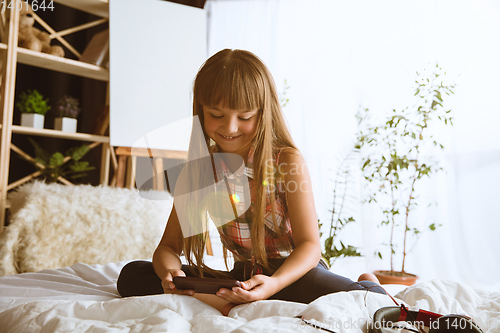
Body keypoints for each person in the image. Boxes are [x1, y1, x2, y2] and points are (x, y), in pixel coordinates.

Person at [117, 49, 384, 316]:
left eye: (244, 117)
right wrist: (170, 274)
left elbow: (310, 246)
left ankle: (367, 281)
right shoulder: (198, 171)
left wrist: (273, 284)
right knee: (132, 275)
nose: (230, 128)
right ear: (200, 110)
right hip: (243, 278)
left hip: (293, 275)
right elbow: (167, 247)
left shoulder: (287, 161)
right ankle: (233, 301)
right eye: (216, 115)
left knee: (371, 301)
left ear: (263, 113)